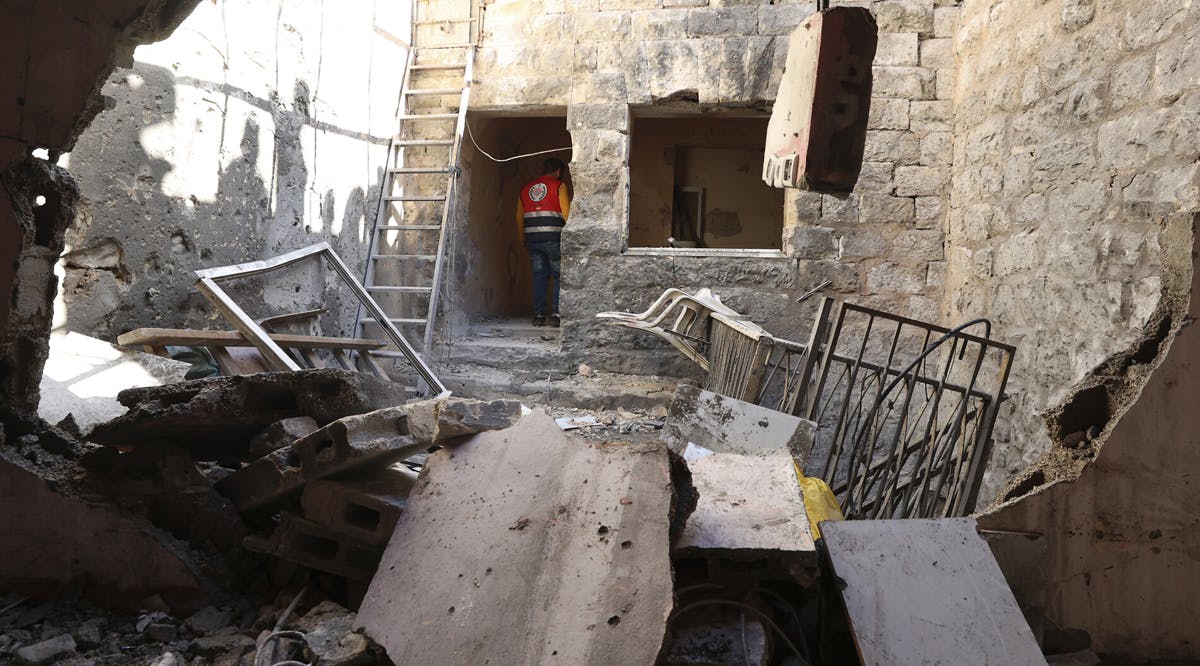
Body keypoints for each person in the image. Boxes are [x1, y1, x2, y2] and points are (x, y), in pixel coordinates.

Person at [516, 157, 570, 327]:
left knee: (539, 277)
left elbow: (519, 217)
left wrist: (522, 238)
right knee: (559, 275)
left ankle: (539, 315)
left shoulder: (525, 189)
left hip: (532, 239)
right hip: (554, 238)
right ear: (559, 172)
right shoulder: (559, 186)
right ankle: (556, 314)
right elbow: (566, 213)